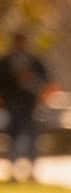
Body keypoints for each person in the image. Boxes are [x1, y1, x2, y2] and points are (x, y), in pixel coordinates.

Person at [0, 32, 50, 183]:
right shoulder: (5, 62)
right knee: (13, 138)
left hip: (30, 105)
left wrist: (32, 82)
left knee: (32, 138)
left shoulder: (34, 62)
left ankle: (31, 171)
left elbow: (45, 82)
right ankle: (13, 170)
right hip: (12, 105)